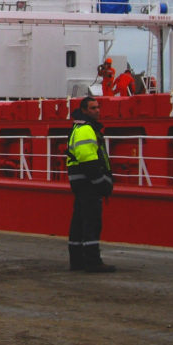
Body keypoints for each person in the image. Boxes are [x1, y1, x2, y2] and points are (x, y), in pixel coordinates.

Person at [66, 95, 115, 272]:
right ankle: (93, 262)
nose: (97, 110)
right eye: (93, 108)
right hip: (87, 181)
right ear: (84, 110)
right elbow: (88, 160)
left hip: (80, 180)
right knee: (91, 221)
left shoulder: (80, 127)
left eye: (98, 107)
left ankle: (77, 261)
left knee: (79, 221)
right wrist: (101, 182)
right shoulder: (86, 129)